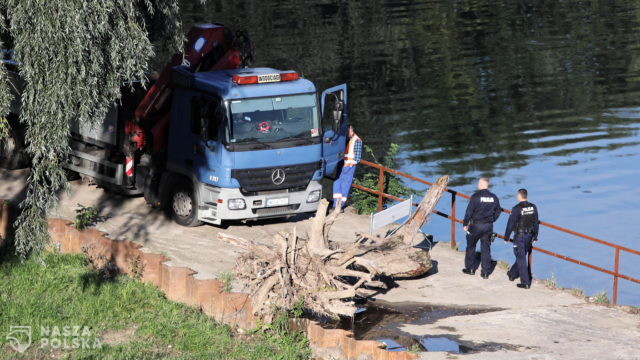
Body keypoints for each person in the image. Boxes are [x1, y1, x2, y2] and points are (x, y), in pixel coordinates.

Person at [462, 178, 502, 278]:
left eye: (478, 183)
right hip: (488, 226)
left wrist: (465, 224)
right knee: (486, 249)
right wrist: (493, 219)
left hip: (476, 225)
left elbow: (469, 212)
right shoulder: (494, 197)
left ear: (480, 184)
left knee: (471, 246)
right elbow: (499, 211)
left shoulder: (476, 196)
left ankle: (470, 269)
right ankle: (485, 272)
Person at [504, 188, 539, 289]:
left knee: (520, 257)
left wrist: (506, 237)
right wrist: (535, 236)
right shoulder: (533, 207)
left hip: (520, 236)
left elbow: (510, 224)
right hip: (529, 236)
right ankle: (512, 274)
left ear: (519, 196)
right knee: (521, 255)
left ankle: (525, 282)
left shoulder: (516, 208)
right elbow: (536, 222)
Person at [332, 125, 362, 209]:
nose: (346, 132)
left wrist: (351, 164)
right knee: (337, 183)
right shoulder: (346, 139)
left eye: (348, 130)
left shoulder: (357, 140)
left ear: (352, 130)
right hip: (342, 164)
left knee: (345, 185)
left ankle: (340, 206)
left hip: (349, 166)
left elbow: (357, 157)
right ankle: (335, 204)